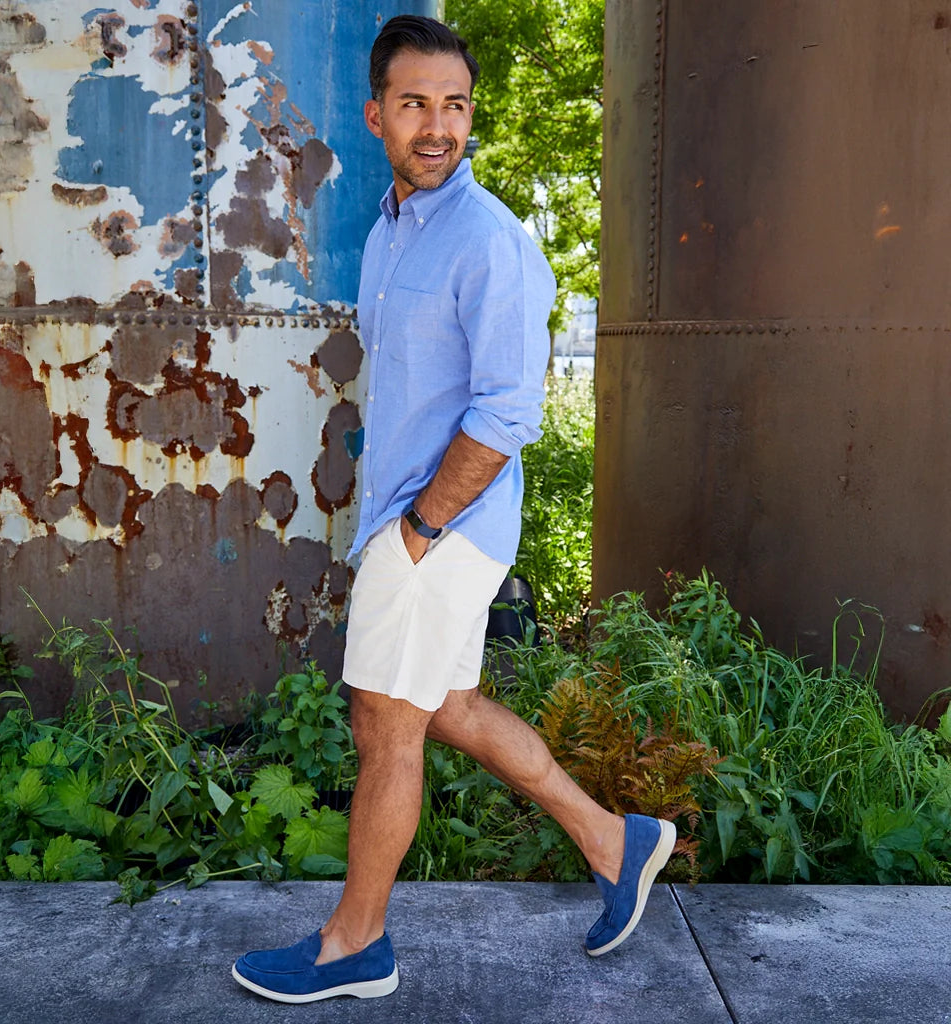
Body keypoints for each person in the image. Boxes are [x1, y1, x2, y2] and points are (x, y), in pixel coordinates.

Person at [231, 14, 675, 1004]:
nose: (438, 125)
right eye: (416, 103)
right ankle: (617, 840)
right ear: (377, 114)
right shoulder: (390, 231)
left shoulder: (490, 242)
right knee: (450, 709)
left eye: (455, 105)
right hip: (413, 522)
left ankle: (356, 946)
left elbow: (509, 409)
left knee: (384, 728)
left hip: (439, 529)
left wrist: (421, 528)